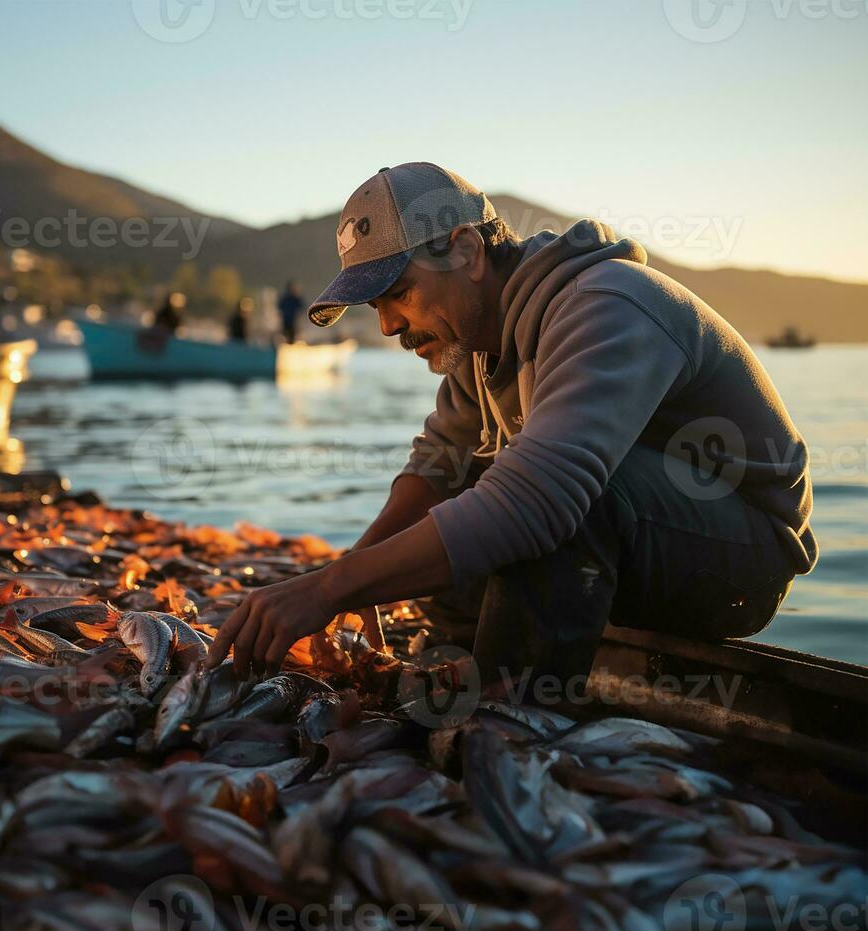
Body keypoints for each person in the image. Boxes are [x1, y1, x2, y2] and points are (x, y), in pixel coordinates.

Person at [208, 162, 816, 687]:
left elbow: (540, 497)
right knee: (466, 491)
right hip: (636, 536)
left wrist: (331, 589)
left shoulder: (606, 305)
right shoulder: (475, 341)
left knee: (544, 496)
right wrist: (354, 574)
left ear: (468, 251)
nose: (389, 325)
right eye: (376, 307)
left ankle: (513, 724)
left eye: (399, 293)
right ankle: (455, 674)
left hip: (744, 555)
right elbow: (437, 462)